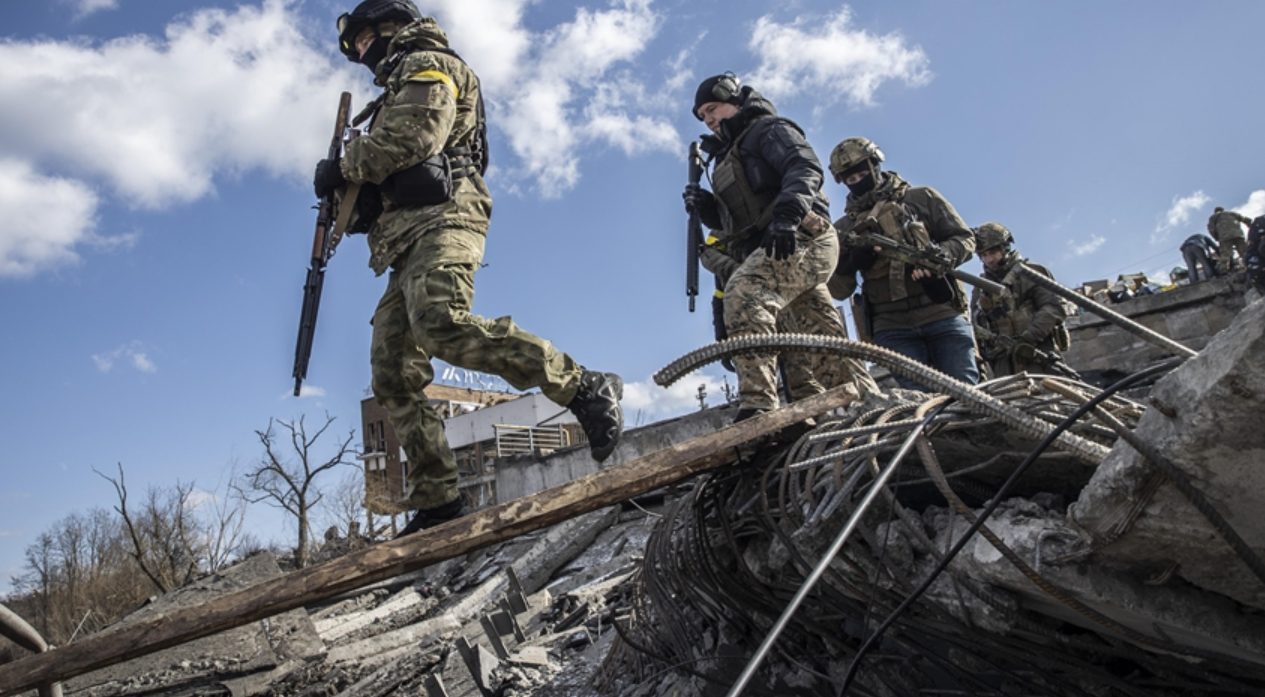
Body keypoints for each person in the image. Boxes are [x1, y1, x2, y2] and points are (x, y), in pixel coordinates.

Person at [313, 0, 624, 537]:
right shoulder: (385, 97)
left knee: (439, 321)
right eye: (356, 46)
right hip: (403, 241)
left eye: (367, 38)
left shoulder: (428, 62)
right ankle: (438, 497)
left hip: (447, 218)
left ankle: (582, 385)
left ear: (393, 26)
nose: (363, 52)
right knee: (391, 372)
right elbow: (384, 184)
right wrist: (347, 195)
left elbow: (418, 138)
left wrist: (343, 165)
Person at [682, 73, 875, 420]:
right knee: (816, 346)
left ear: (735, 99)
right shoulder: (727, 156)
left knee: (744, 291)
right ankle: (865, 408)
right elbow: (736, 222)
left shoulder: (766, 129)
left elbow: (804, 167)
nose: (709, 120)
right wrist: (707, 206)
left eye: (713, 109)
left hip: (801, 236)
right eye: (702, 116)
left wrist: (787, 216)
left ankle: (757, 405)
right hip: (774, 252)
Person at [825, 137, 978, 390]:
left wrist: (939, 257)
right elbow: (838, 289)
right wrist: (852, 261)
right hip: (892, 326)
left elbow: (964, 238)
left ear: (876, 166)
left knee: (967, 395)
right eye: (850, 180)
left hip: (941, 312)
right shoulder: (842, 229)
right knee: (919, 404)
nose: (857, 183)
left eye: (862, 174)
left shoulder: (921, 199)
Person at [969, 223, 1072, 379]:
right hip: (1001, 360)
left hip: (1036, 352)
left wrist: (1027, 339)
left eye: (993, 252)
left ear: (1005, 249)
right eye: (983, 255)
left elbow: (1054, 307)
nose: (988, 259)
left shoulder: (1031, 273)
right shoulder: (981, 286)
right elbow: (975, 324)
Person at [1207, 206, 1252, 274]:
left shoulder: (1213, 217)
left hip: (1224, 238)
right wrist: (1250, 226)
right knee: (1244, 252)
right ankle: (1250, 265)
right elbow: (1245, 219)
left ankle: (1224, 270)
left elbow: (1211, 229)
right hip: (1238, 235)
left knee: (1225, 255)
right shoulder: (1232, 213)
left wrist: (1217, 238)